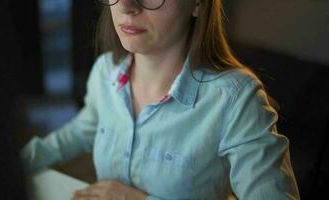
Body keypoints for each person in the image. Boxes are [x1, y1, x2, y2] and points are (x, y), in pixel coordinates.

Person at [21, 0, 301, 199]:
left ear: (197, 4)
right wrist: (18, 163)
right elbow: (84, 129)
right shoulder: (105, 71)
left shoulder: (236, 100)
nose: (127, 6)